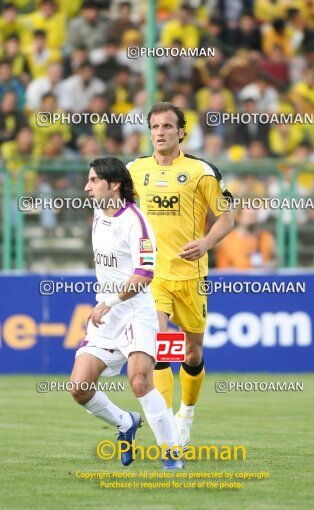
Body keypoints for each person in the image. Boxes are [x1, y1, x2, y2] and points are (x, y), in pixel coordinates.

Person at [127, 102, 234, 450]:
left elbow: (227, 218)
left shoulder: (201, 171)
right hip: (153, 277)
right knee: (160, 346)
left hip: (191, 276)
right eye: (154, 127)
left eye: (167, 127)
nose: (159, 133)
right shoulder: (134, 170)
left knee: (192, 353)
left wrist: (205, 243)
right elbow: (120, 210)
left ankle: (186, 413)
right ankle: (167, 429)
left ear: (181, 132)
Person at [69, 157, 183, 469]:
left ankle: (171, 453)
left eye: (93, 180)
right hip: (107, 317)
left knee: (138, 380)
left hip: (134, 312)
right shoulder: (98, 211)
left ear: (114, 184)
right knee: (79, 388)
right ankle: (125, 422)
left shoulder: (137, 223)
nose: (87, 187)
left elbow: (144, 274)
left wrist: (111, 301)